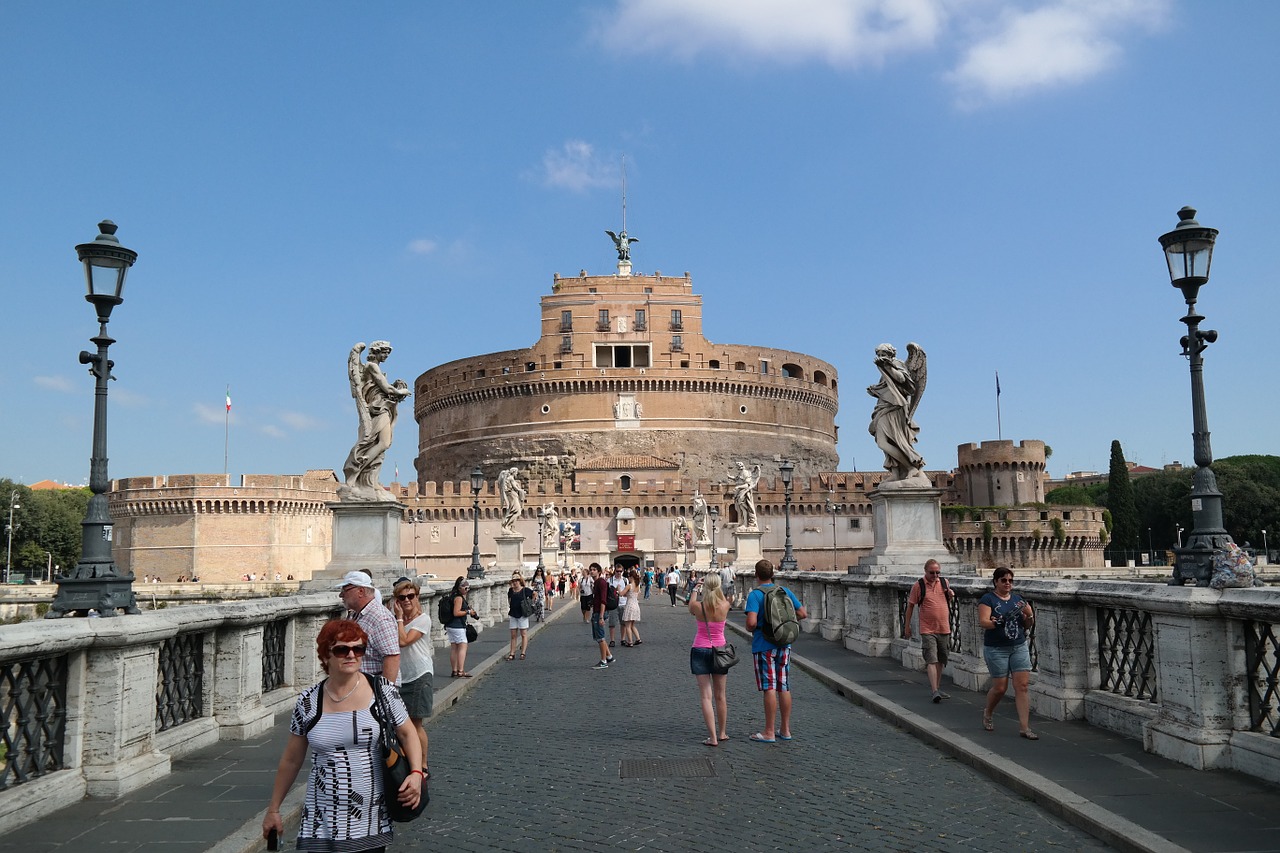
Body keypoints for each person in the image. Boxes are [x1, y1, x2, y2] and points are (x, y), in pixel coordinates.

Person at [262, 619, 423, 851]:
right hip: (322, 817)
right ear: (326, 656)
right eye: (341, 649)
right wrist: (274, 809)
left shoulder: (383, 692)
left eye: (358, 649)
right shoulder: (308, 702)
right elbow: (292, 759)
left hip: (371, 817)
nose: (351, 655)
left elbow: (408, 733)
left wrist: (416, 773)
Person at [744, 559, 807, 743]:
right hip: (784, 643)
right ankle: (785, 729)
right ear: (773, 574)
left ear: (756, 575)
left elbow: (751, 623)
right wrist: (782, 623)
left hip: (764, 646)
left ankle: (769, 732)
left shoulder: (755, 595)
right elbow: (803, 613)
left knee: (769, 687)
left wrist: (757, 627)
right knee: (784, 686)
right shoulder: (784, 591)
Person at [341, 341, 411, 500]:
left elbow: (382, 389)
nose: (386, 356)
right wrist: (401, 391)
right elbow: (386, 389)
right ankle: (356, 472)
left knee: (382, 444)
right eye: (384, 352)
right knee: (381, 442)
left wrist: (395, 389)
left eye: (388, 353)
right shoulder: (372, 367)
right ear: (376, 351)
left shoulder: (374, 368)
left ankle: (370, 480)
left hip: (382, 407)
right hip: (377, 409)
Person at [979, 567, 1037, 739]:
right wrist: (995, 622)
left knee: (1022, 686)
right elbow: (983, 622)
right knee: (1000, 688)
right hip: (996, 648)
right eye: (1004, 580)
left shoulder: (1018, 600)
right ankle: (988, 712)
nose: (1007, 583)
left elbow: (1026, 624)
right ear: (996, 581)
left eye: (1010, 581)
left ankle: (1025, 728)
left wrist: (1029, 618)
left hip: (1018, 646)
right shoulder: (987, 599)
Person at [866, 342, 927, 482]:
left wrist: (887, 366)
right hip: (884, 407)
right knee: (884, 442)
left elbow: (903, 380)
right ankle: (895, 473)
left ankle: (912, 466)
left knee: (895, 440)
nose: (881, 357)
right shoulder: (884, 369)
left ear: (890, 354)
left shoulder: (897, 364)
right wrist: (875, 390)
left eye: (884, 354)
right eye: (879, 355)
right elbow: (889, 388)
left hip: (896, 408)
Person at [391, 577, 433, 776]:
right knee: (402, 725)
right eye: (402, 597)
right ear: (396, 600)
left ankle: (423, 765)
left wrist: (398, 618)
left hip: (420, 675)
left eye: (411, 596)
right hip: (402, 677)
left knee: (415, 725)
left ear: (417, 597)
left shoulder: (423, 619)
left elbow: (404, 641)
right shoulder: (396, 620)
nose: (407, 600)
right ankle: (409, 761)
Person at [903, 558, 955, 703]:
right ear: (925, 571)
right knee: (931, 659)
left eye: (938, 572)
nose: (935, 575)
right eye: (932, 572)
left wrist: (950, 596)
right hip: (927, 629)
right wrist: (907, 626)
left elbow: (945, 602)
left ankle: (937, 688)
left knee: (941, 659)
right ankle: (934, 690)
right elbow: (911, 606)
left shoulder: (945, 582)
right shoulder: (918, 586)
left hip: (944, 627)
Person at [689, 572, 732, 746]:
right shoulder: (725, 605)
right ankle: (722, 733)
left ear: (705, 586)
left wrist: (696, 587)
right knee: (720, 696)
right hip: (720, 651)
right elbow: (729, 598)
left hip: (700, 649)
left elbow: (690, 604)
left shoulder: (698, 606)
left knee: (706, 696)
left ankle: (712, 737)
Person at [337, 571, 400, 683]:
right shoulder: (356, 614)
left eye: (345, 590)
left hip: (373, 689)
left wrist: (384, 694)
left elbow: (392, 658)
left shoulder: (380, 618)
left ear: (360, 591)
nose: (341, 595)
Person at [445, 577, 478, 678]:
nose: (467, 590)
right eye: (465, 588)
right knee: (463, 647)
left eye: (468, 588)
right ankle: (460, 671)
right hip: (457, 626)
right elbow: (456, 612)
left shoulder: (452, 595)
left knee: (454, 648)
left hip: (450, 625)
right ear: (460, 588)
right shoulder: (459, 598)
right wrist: (468, 612)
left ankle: (454, 671)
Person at [588, 564, 615, 670]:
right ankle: (609, 656)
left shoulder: (601, 582)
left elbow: (603, 600)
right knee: (598, 636)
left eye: (594, 570)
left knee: (600, 637)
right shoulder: (596, 582)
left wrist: (601, 616)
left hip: (600, 612)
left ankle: (603, 661)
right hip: (597, 611)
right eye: (590, 570)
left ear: (599, 571)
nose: (592, 572)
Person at [507, 572, 533, 660]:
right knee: (513, 635)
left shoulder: (525, 590)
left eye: (516, 581)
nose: (515, 583)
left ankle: (523, 652)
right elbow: (509, 600)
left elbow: (534, 594)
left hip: (522, 614)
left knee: (523, 634)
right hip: (513, 613)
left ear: (520, 581)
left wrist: (530, 603)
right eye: (513, 581)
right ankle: (512, 653)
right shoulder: (511, 591)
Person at [729, 462, 761, 530]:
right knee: (739, 508)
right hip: (739, 493)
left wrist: (738, 487)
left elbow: (747, 485)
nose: (737, 467)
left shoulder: (746, 473)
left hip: (744, 492)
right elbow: (737, 479)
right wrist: (730, 477)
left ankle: (745, 523)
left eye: (737, 466)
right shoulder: (740, 473)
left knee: (744, 508)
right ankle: (743, 522)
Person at [621, 569, 643, 646]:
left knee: (627, 625)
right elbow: (637, 595)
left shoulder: (629, 586)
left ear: (631, 577)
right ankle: (638, 638)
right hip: (636, 605)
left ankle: (630, 642)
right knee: (632, 625)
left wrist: (618, 589)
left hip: (629, 605)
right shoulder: (638, 585)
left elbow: (621, 593)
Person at [606, 565, 626, 646]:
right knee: (612, 623)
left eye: (620, 571)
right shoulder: (610, 580)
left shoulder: (625, 580)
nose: (619, 573)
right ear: (615, 571)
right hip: (613, 604)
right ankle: (612, 640)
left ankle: (623, 639)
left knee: (623, 623)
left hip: (623, 603)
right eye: (617, 571)